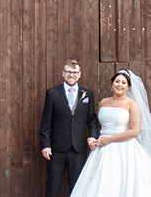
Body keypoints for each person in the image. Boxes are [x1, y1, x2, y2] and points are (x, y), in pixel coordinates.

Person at [69, 69, 151, 197]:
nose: (119, 85)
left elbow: (134, 131)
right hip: (102, 149)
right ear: (112, 84)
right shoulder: (104, 102)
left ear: (128, 87)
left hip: (124, 149)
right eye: (117, 81)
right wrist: (94, 139)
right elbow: (101, 125)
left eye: (123, 82)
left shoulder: (133, 105)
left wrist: (109, 140)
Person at [40, 59, 100, 197]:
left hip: (78, 149)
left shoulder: (87, 94)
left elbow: (91, 119)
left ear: (79, 75)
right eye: (68, 72)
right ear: (63, 73)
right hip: (56, 149)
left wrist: (93, 136)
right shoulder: (52, 93)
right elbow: (45, 123)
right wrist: (45, 145)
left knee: (77, 187)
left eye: (74, 72)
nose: (71, 75)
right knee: (53, 186)